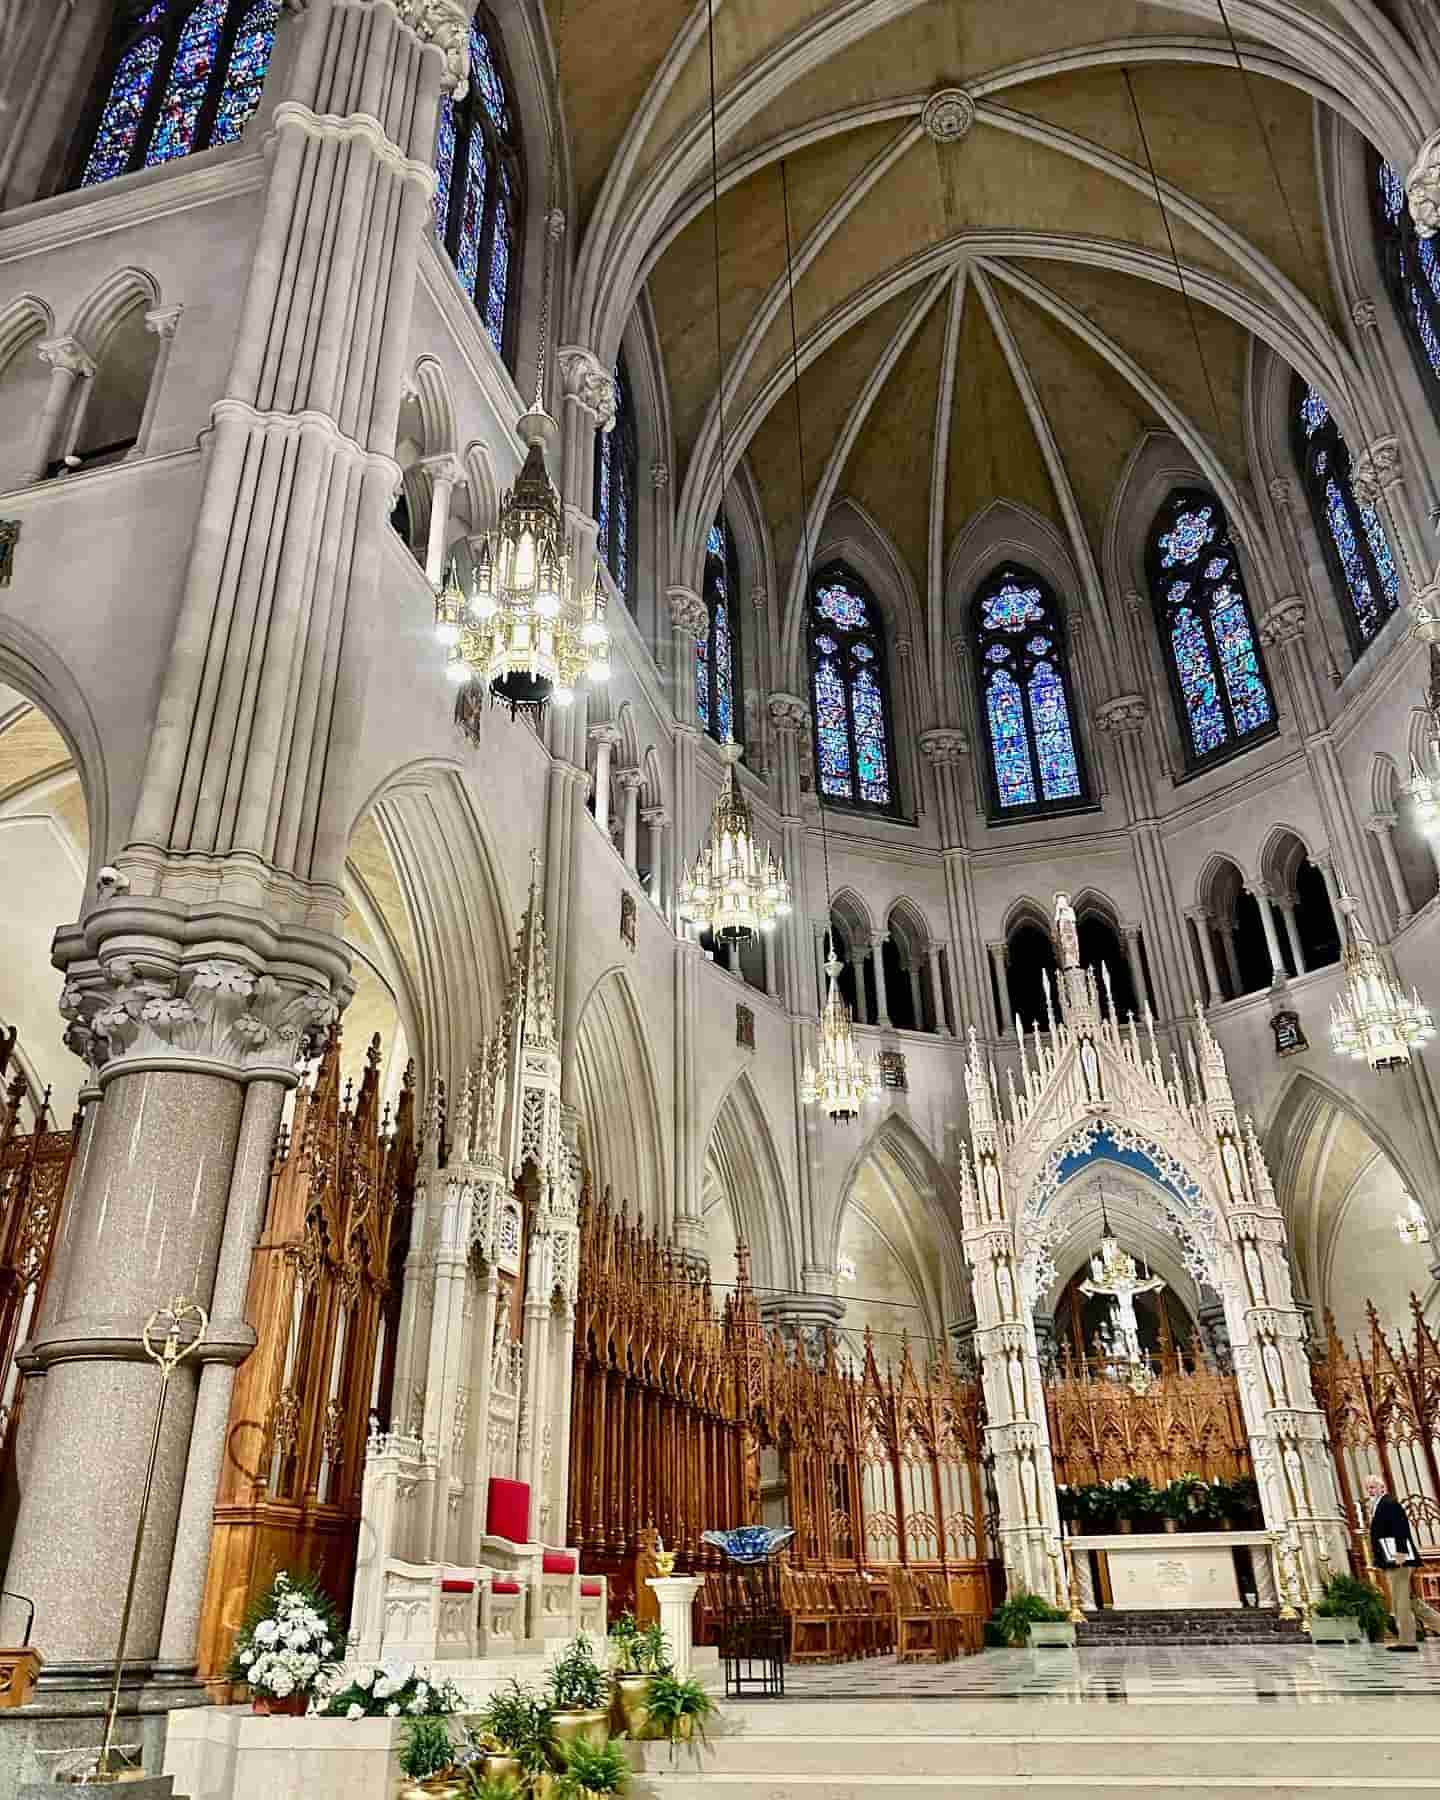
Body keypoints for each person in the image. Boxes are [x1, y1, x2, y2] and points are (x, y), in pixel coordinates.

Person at [1365, 1473, 1440, 1651]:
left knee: (1401, 1602)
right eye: (1368, 1488)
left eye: (1373, 1487)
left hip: (1399, 1559)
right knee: (1410, 1600)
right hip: (1391, 1558)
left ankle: (1407, 1641)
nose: (1370, 1491)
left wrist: (1400, 1553)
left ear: (1382, 1487)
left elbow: (1401, 1528)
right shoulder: (1378, 1505)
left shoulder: (1389, 1503)